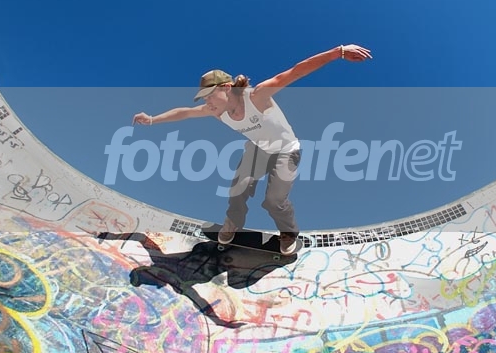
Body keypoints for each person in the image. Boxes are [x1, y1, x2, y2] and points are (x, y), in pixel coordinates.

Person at [132, 44, 372, 255]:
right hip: (258, 150)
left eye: (210, 96)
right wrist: (152, 120)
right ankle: (232, 224)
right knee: (238, 189)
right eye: (204, 99)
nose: (208, 103)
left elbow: (296, 71)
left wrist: (338, 52)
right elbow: (184, 112)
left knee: (274, 201)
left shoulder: (257, 96)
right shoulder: (217, 111)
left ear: (227, 88)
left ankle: (288, 234)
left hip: (287, 151)